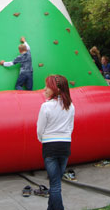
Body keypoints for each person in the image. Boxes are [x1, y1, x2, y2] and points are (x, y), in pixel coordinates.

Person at [37, 75, 75, 210]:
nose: (44, 89)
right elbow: (71, 127)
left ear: (56, 89)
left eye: (47, 86)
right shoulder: (70, 106)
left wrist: (43, 140)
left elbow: (40, 129)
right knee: (56, 181)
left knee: (55, 185)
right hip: (65, 146)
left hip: (50, 147)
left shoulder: (46, 106)